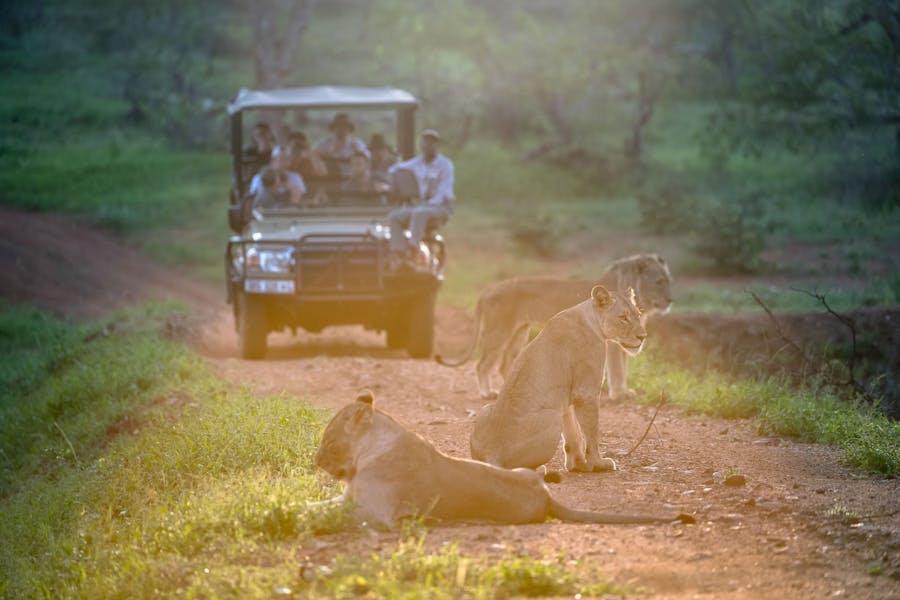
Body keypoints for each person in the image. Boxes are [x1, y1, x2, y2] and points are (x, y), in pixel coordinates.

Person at [387, 129, 455, 258]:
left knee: (419, 212)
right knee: (394, 216)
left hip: (441, 206)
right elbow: (396, 168)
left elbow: (444, 190)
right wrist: (392, 179)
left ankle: (414, 248)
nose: (429, 146)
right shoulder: (418, 163)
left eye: (432, 143)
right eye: (426, 143)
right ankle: (399, 252)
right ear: (422, 145)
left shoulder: (445, 165)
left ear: (437, 146)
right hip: (423, 207)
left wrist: (427, 205)